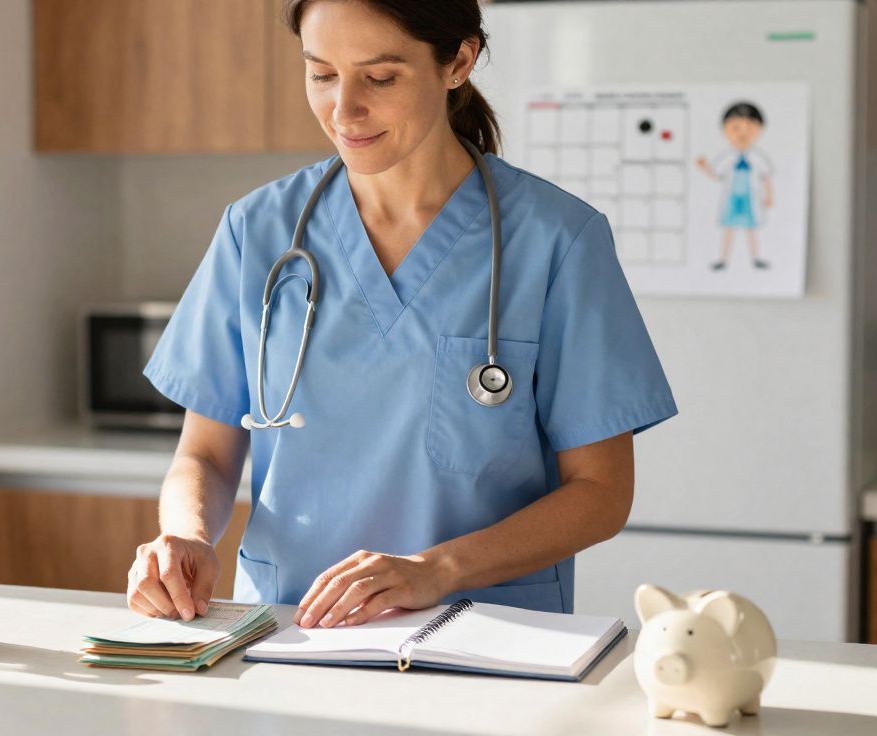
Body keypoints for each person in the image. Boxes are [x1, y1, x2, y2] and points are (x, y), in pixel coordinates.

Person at [127, 0, 678, 630]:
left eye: (380, 78)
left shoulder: (558, 241)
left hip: (484, 635)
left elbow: (600, 494)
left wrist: (436, 569)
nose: (343, 109)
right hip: (288, 631)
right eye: (321, 74)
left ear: (459, 61)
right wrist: (186, 535)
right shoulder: (256, 232)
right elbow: (207, 454)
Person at [695, 102, 775, 271]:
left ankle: (756, 258)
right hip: (732, 197)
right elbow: (717, 174)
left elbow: (765, 177)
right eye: (736, 127)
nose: (742, 133)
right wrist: (705, 168)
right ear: (725, 130)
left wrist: (769, 196)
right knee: (729, 228)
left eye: (749, 127)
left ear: (759, 130)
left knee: (751, 229)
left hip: (749, 198)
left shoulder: (758, 157)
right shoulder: (728, 156)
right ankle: (723, 259)